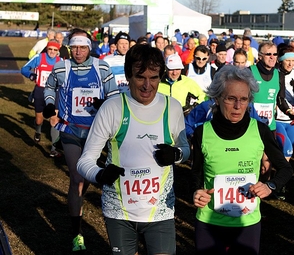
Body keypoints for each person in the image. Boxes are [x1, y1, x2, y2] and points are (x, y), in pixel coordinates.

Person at [77, 44, 190, 254]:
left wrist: (176, 154)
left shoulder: (172, 107)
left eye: (154, 77)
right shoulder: (112, 108)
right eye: (140, 77)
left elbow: (185, 149)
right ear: (128, 76)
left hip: (160, 211)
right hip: (119, 212)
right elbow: (85, 161)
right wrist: (100, 175)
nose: (147, 85)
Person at [190, 65, 292, 254]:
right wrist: (196, 191)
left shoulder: (260, 130)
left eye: (244, 99)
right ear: (218, 98)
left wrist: (270, 186)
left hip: (247, 221)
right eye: (231, 99)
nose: (238, 106)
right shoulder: (202, 132)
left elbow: (286, 169)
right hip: (210, 220)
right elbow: (196, 171)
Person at [43, 28, 119, 251]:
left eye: (82, 47)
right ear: (69, 47)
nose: (78, 52)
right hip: (70, 130)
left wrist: (102, 103)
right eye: (74, 47)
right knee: (77, 177)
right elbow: (49, 87)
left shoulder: (101, 66)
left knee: (84, 180)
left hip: (97, 133)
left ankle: (77, 203)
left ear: (89, 47)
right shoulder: (61, 67)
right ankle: (76, 233)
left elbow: (114, 96)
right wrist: (50, 104)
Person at [21, 39, 62, 157]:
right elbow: (24, 69)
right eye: (50, 49)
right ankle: (38, 131)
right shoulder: (39, 58)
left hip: (55, 92)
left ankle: (54, 149)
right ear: (47, 48)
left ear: (58, 51)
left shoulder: (61, 61)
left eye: (55, 50)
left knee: (54, 119)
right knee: (39, 119)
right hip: (40, 91)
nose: (52, 52)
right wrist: (31, 75)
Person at [250, 41, 294, 134]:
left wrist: (289, 111)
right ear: (260, 56)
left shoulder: (279, 75)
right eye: (268, 54)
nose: (272, 57)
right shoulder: (249, 72)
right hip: (251, 126)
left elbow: (281, 99)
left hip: (270, 127)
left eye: (275, 54)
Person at [275, 46, 294, 162]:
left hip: (292, 121)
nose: (290, 64)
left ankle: (277, 176)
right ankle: (280, 178)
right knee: (287, 150)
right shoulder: (274, 74)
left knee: (289, 152)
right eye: (287, 60)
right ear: (281, 60)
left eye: (293, 60)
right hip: (277, 120)